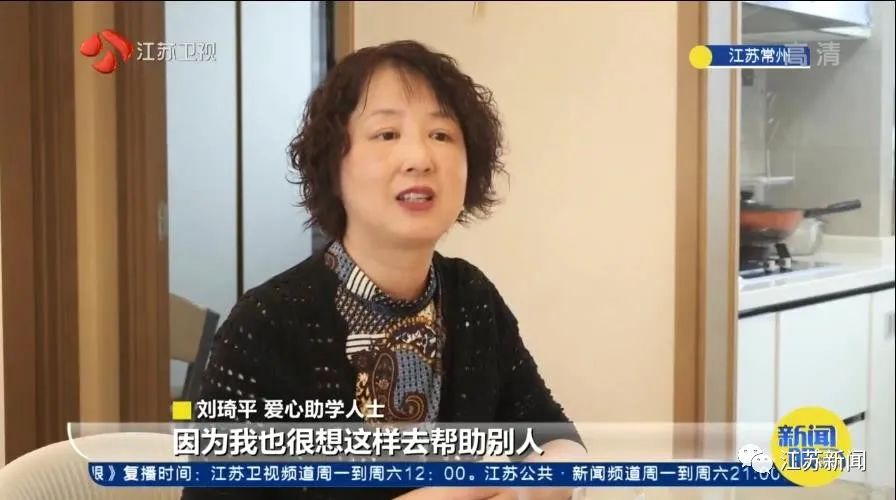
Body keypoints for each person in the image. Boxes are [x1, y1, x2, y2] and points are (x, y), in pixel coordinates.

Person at [181, 39, 585, 500]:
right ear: (334, 165)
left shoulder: (472, 298)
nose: (420, 159)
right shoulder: (265, 325)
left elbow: (553, 437)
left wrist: (528, 489)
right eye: (387, 134)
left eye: (441, 135)